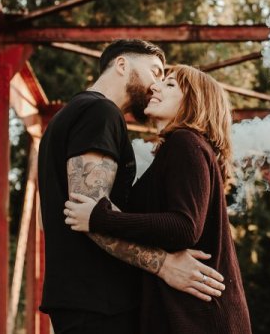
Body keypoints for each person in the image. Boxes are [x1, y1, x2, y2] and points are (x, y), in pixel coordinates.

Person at [38, 41, 226, 334]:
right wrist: (164, 264)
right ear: (122, 65)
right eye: (155, 72)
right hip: (100, 300)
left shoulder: (74, 114)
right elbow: (88, 213)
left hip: (87, 298)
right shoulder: (100, 112)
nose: (155, 86)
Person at [65, 65, 252, 334]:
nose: (155, 87)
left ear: (195, 101)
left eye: (170, 85)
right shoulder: (180, 149)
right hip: (189, 312)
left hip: (199, 317)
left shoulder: (186, 142)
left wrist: (101, 218)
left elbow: (184, 227)